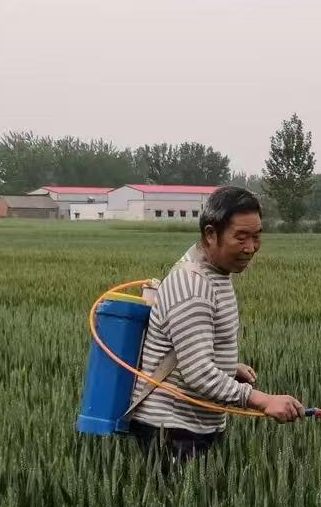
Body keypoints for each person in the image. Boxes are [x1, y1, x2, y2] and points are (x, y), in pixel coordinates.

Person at [127, 186, 304, 473]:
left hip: (191, 428)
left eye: (257, 236)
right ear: (211, 234)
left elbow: (188, 347)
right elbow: (197, 373)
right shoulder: (193, 286)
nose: (251, 248)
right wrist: (263, 401)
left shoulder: (216, 272)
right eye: (241, 237)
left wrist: (226, 366)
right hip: (171, 431)